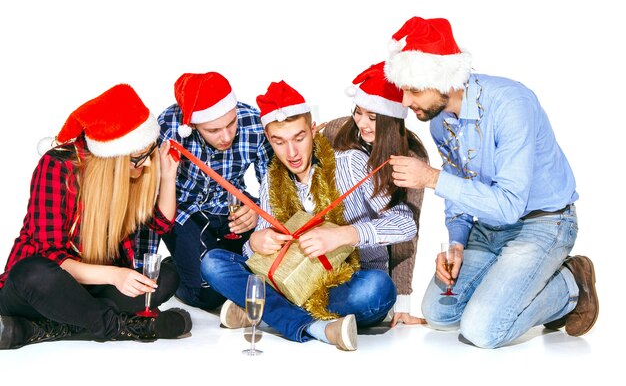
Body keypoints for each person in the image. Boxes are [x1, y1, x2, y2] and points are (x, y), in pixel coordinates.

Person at [385, 16, 598, 348]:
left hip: (542, 223)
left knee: (483, 330)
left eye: (413, 89)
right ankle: (509, 285)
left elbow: (510, 204)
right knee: (438, 315)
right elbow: (458, 187)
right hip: (489, 227)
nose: (405, 101)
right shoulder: (440, 122)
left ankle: (570, 285)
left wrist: (429, 177)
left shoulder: (511, 105)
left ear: (443, 80)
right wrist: (456, 242)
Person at [201, 80, 416, 351]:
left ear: (313, 130)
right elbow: (257, 260)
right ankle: (315, 327)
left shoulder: (350, 163)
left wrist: (344, 235)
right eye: (279, 142)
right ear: (268, 139)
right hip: (285, 280)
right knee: (213, 262)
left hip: (346, 282)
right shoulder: (271, 180)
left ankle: (262, 309)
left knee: (377, 290)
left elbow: (405, 222)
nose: (291, 153)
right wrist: (255, 241)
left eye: (299, 138)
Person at [0, 84, 192, 349]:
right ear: (112, 158)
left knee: (167, 277)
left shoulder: (133, 173)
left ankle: (42, 329)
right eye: (138, 158)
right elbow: (49, 254)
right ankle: (121, 327)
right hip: (42, 289)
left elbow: (160, 223)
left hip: (93, 288)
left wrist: (169, 177)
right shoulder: (57, 166)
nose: (147, 164)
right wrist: (115, 276)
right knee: (32, 272)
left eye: (149, 154)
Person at [137, 72, 273, 311]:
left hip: (232, 206)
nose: (227, 136)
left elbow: (273, 186)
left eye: (231, 124)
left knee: (264, 265)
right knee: (207, 295)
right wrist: (143, 265)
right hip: (184, 211)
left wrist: (259, 210)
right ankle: (178, 266)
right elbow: (147, 196)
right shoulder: (168, 126)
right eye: (214, 130)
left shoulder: (253, 122)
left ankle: (216, 260)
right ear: (193, 125)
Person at [322, 61, 428, 327]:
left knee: (376, 289)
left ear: (392, 119)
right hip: (325, 250)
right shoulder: (337, 131)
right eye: (358, 112)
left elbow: (407, 231)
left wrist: (402, 301)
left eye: (372, 117)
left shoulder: (411, 156)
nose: (361, 124)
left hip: (371, 256)